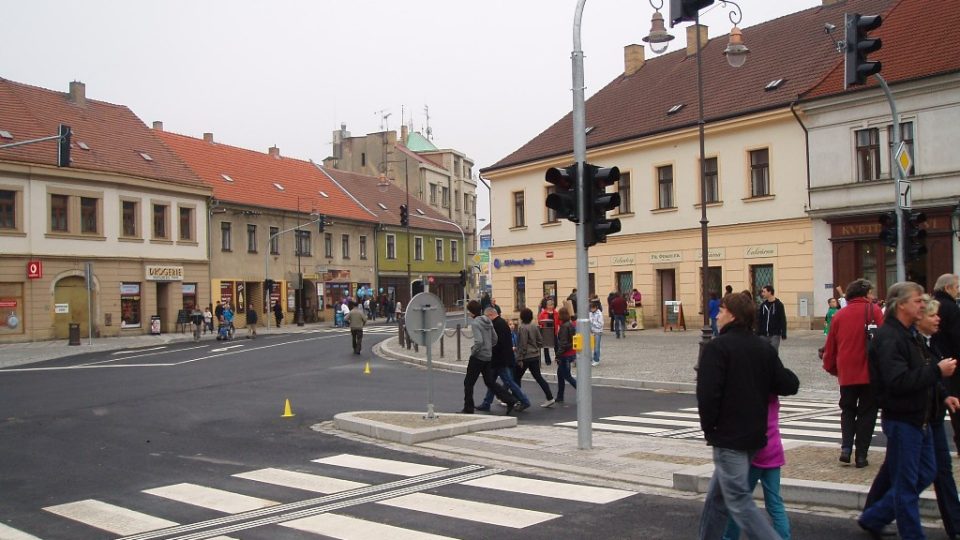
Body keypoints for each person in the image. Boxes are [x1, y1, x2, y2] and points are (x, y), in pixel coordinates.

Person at [858, 282, 958, 539]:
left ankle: (873, 516)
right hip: (903, 418)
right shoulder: (890, 337)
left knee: (925, 472)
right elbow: (898, 381)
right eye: (917, 301)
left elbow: (920, 368)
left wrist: (942, 394)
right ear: (901, 304)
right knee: (906, 485)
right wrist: (938, 371)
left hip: (919, 417)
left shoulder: (907, 334)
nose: (923, 305)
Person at [696, 291, 800, 540]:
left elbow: (708, 395)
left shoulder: (717, 348)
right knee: (717, 499)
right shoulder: (762, 348)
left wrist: (710, 429)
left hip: (728, 437)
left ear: (731, 314)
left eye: (720, 311)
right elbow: (789, 384)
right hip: (755, 435)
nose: (717, 316)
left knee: (739, 503)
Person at [822, 278, 884, 468]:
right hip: (869, 370)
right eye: (871, 293)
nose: (873, 296)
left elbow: (831, 346)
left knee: (847, 409)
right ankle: (861, 455)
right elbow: (883, 341)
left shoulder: (840, 315)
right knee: (868, 411)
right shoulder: (874, 311)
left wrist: (832, 367)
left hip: (847, 370)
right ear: (865, 294)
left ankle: (846, 448)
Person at [722, 395, 790, 540]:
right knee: (775, 504)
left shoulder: (753, 398)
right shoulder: (774, 399)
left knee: (739, 501)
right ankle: (783, 537)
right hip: (774, 452)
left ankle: (729, 538)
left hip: (755, 455)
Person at [462, 300, 517, 414]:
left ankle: (468, 408)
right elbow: (495, 338)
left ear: (472, 312)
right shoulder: (488, 320)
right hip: (488, 356)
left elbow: (478, 341)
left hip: (478, 357)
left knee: (468, 383)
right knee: (490, 382)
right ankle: (510, 399)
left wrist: (473, 352)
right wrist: (488, 347)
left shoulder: (475, 323)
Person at [477, 308, 530, 412]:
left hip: (500, 360)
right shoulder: (501, 323)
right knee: (491, 382)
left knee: (509, 382)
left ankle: (525, 401)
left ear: (491, 315)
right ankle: (486, 403)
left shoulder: (497, 325)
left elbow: (497, 344)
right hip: (501, 359)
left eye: (486, 317)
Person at [931, 274, 960, 454]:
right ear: (948, 288)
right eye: (956, 287)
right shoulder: (951, 308)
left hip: (938, 360)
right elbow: (957, 337)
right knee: (955, 403)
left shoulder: (933, 305)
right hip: (952, 363)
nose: (958, 291)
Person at [515, 307, 555, 407]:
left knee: (516, 377)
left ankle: (518, 399)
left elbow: (522, 344)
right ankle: (550, 397)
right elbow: (540, 341)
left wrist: (519, 357)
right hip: (535, 355)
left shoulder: (523, 327)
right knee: (538, 377)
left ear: (522, 317)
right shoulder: (534, 326)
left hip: (526, 357)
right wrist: (536, 347)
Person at [555, 307, 578, 404]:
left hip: (565, 354)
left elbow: (563, 343)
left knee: (567, 375)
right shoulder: (571, 324)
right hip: (571, 352)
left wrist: (558, 355)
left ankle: (582, 391)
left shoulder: (564, 326)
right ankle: (560, 396)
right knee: (560, 374)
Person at [756, 285, 787, 350]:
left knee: (773, 353)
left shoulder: (779, 305)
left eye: (764, 292)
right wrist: (758, 332)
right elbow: (760, 319)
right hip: (763, 334)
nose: (762, 294)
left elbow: (782, 319)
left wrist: (783, 332)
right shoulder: (763, 305)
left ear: (769, 292)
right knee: (763, 353)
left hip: (775, 334)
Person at [538, 299, 560, 366]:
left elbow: (559, 322)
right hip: (546, 332)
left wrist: (559, 328)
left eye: (552, 304)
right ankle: (547, 361)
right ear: (547, 306)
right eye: (550, 305)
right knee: (546, 347)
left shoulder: (556, 313)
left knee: (556, 346)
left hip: (554, 332)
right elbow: (540, 322)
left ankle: (558, 359)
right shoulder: (543, 313)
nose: (551, 306)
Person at [589, 300, 604, 367]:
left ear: (596, 307)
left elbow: (600, 324)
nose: (591, 310)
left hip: (598, 332)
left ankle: (596, 360)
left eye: (593, 308)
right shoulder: (590, 313)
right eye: (591, 308)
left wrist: (592, 322)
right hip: (591, 332)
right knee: (590, 346)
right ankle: (591, 359)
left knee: (596, 347)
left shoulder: (599, 314)